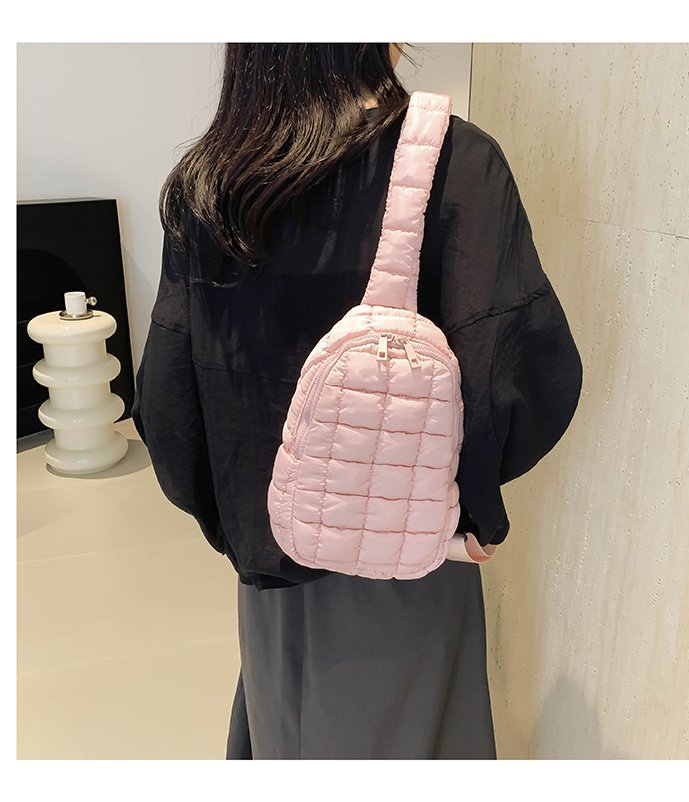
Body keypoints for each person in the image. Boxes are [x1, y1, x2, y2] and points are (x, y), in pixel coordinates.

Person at [132, 43, 583, 760]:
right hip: (410, 559)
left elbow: (166, 406)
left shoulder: (210, 181)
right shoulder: (455, 161)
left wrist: (246, 520)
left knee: (283, 729)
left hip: (270, 562)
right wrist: (473, 509)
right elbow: (516, 373)